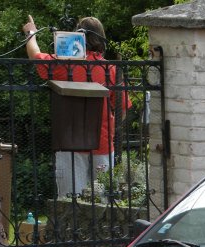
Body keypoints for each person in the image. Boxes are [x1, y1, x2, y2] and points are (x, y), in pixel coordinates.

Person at [22, 15, 129, 199]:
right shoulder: (111, 70)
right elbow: (122, 111)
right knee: (103, 202)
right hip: (102, 143)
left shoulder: (64, 64)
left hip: (69, 143)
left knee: (70, 202)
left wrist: (31, 32)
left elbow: (35, 55)